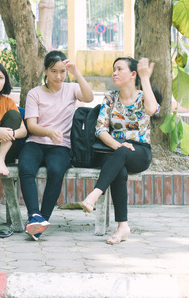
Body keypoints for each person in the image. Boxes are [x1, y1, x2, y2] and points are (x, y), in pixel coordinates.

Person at [80, 57, 161, 244]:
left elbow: (152, 109)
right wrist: (118, 145)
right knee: (119, 169)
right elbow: (100, 130)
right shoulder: (110, 97)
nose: (114, 73)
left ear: (133, 74)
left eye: (119, 69)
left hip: (139, 152)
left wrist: (145, 78)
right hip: (114, 150)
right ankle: (122, 227)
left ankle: (94, 195)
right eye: (113, 69)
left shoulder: (143, 97)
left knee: (122, 155)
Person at [19, 51, 94, 240]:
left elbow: (89, 97)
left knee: (55, 171)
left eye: (62, 71)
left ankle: (41, 220)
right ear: (45, 70)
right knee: (26, 168)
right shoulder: (34, 93)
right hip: (36, 142)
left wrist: (76, 73)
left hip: (61, 146)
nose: (58, 76)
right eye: (53, 71)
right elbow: (31, 126)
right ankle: (34, 215)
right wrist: (49, 132)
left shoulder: (71, 88)